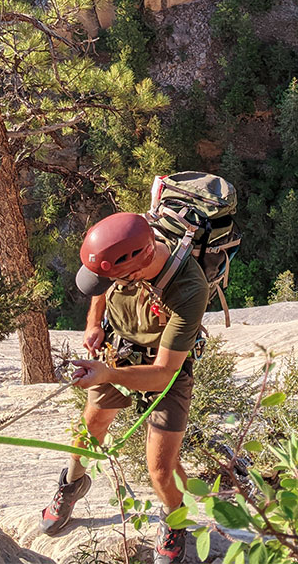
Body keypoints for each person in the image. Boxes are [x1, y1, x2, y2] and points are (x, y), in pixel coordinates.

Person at [40, 211, 209, 564]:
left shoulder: (189, 289)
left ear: (136, 270)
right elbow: (102, 285)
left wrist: (106, 375)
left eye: (113, 277)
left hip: (165, 366)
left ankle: (175, 519)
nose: (104, 283)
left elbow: (164, 373)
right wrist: (93, 324)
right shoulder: (126, 251)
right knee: (90, 428)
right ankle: (72, 483)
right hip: (118, 349)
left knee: (160, 468)